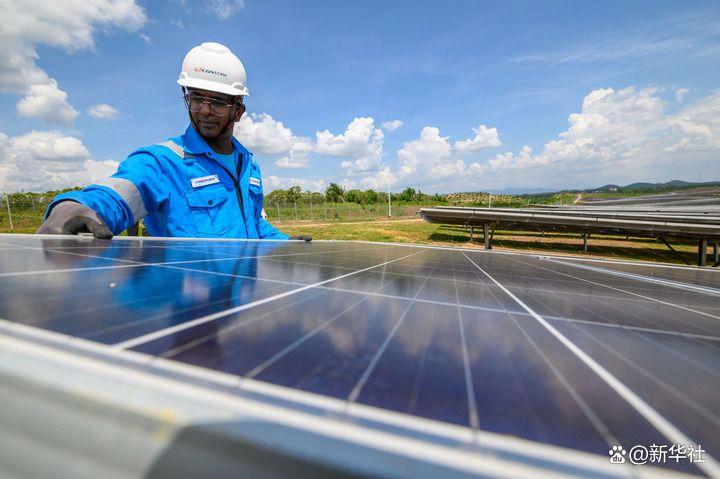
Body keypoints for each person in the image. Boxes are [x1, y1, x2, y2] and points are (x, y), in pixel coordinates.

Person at [38, 42, 310, 242]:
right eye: (197, 98)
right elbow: (114, 195)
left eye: (217, 102)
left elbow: (253, 224)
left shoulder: (248, 165)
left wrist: (284, 243)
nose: (204, 110)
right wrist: (72, 209)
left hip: (241, 296)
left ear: (238, 111)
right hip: (187, 299)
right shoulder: (162, 163)